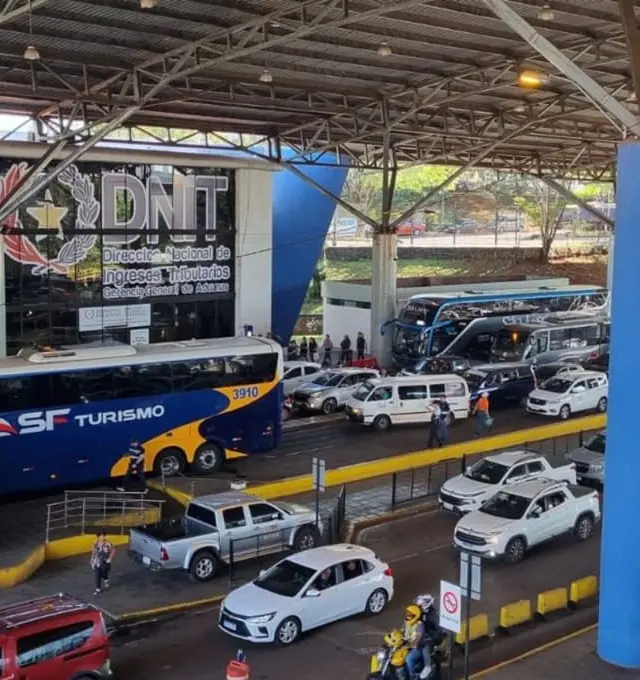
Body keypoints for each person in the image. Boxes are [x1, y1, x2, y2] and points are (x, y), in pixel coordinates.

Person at [404, 604, 428, 678]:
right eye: (407, 614)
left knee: (408, 659)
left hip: (419, 647)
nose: (407, 616)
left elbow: (417, 640)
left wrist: (408, 645)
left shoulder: (420, 626)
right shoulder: (407, 622)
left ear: (415, 616)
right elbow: (403, 632)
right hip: (407, 644)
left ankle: (413, 676)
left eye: (409, 615)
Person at [90, 530, 115, 595]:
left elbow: (113, 550)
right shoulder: (95, 543)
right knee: (97, 574)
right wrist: (91, 559)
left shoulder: (108, 543)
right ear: (98, 537)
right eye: (101, 536)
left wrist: (110, 558)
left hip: (105, 561)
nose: (103, 537)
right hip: (96, 561)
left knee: (104, 573)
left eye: (104, 536)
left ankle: (106, 580)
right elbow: (93, 552)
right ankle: (98, 588)